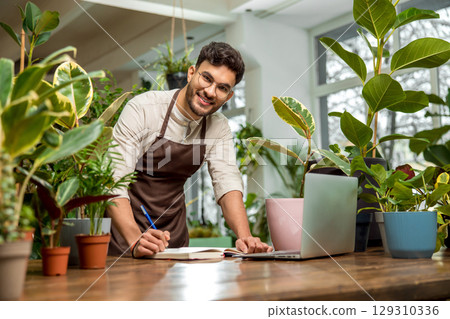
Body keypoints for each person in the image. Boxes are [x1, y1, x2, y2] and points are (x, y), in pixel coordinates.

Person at [107, 41, 272, 258]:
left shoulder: (218, 126)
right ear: (191, 73)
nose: (210, 92)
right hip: (126, 240)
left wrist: (245, 237)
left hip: (176, 246)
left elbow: (227, 184)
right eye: (207, 78)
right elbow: (113, 182)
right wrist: (135, 239)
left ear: (229, 96)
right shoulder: (143, 109)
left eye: (222, 88)